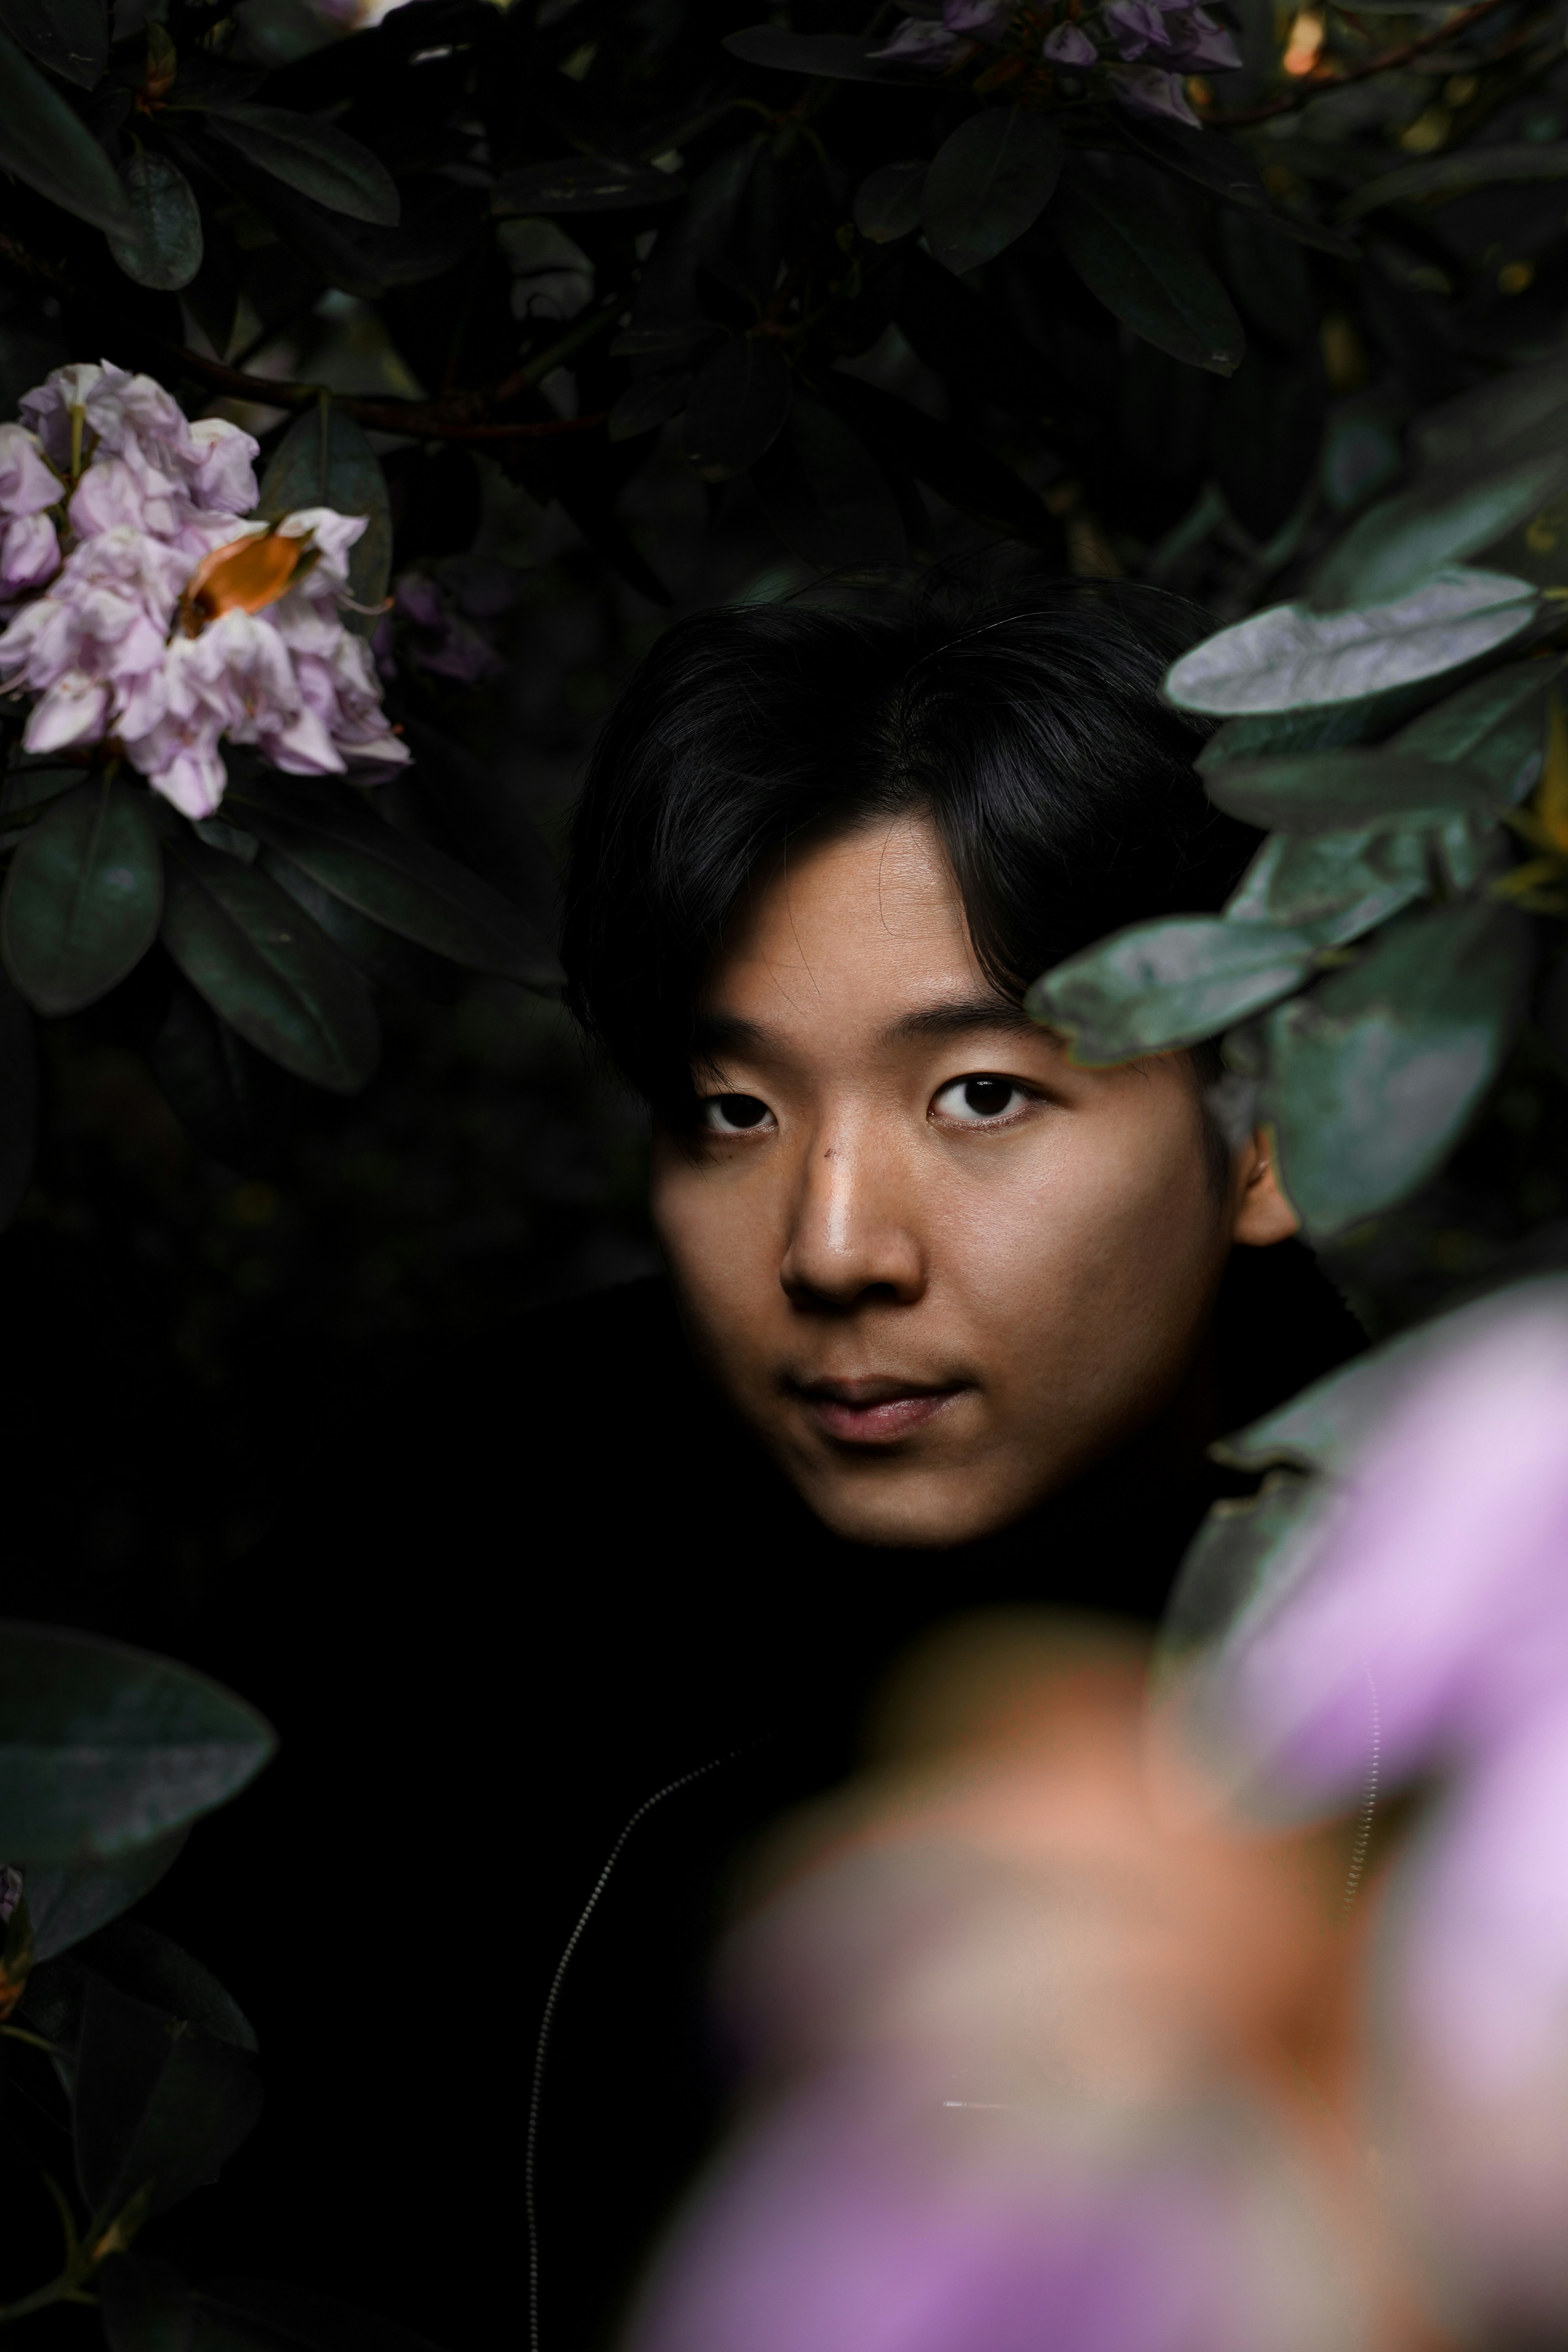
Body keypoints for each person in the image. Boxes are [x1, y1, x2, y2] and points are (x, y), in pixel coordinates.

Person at [150, 579, 1362, 2352]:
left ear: (1269, 1125)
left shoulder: (1461, 1672)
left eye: (979, 1097)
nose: (834, 1244)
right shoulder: (465, 1522)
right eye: (736, 1111)